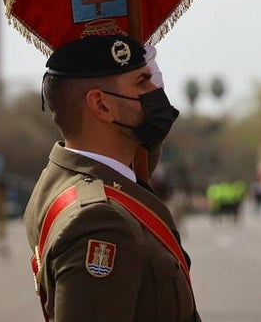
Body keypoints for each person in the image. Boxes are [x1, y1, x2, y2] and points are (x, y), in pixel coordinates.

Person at [24, 34, 197, 322]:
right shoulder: (98, 220)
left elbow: (132, 179)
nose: (156, 91)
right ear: (102, 105)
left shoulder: (60, 177)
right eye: (143, 82)